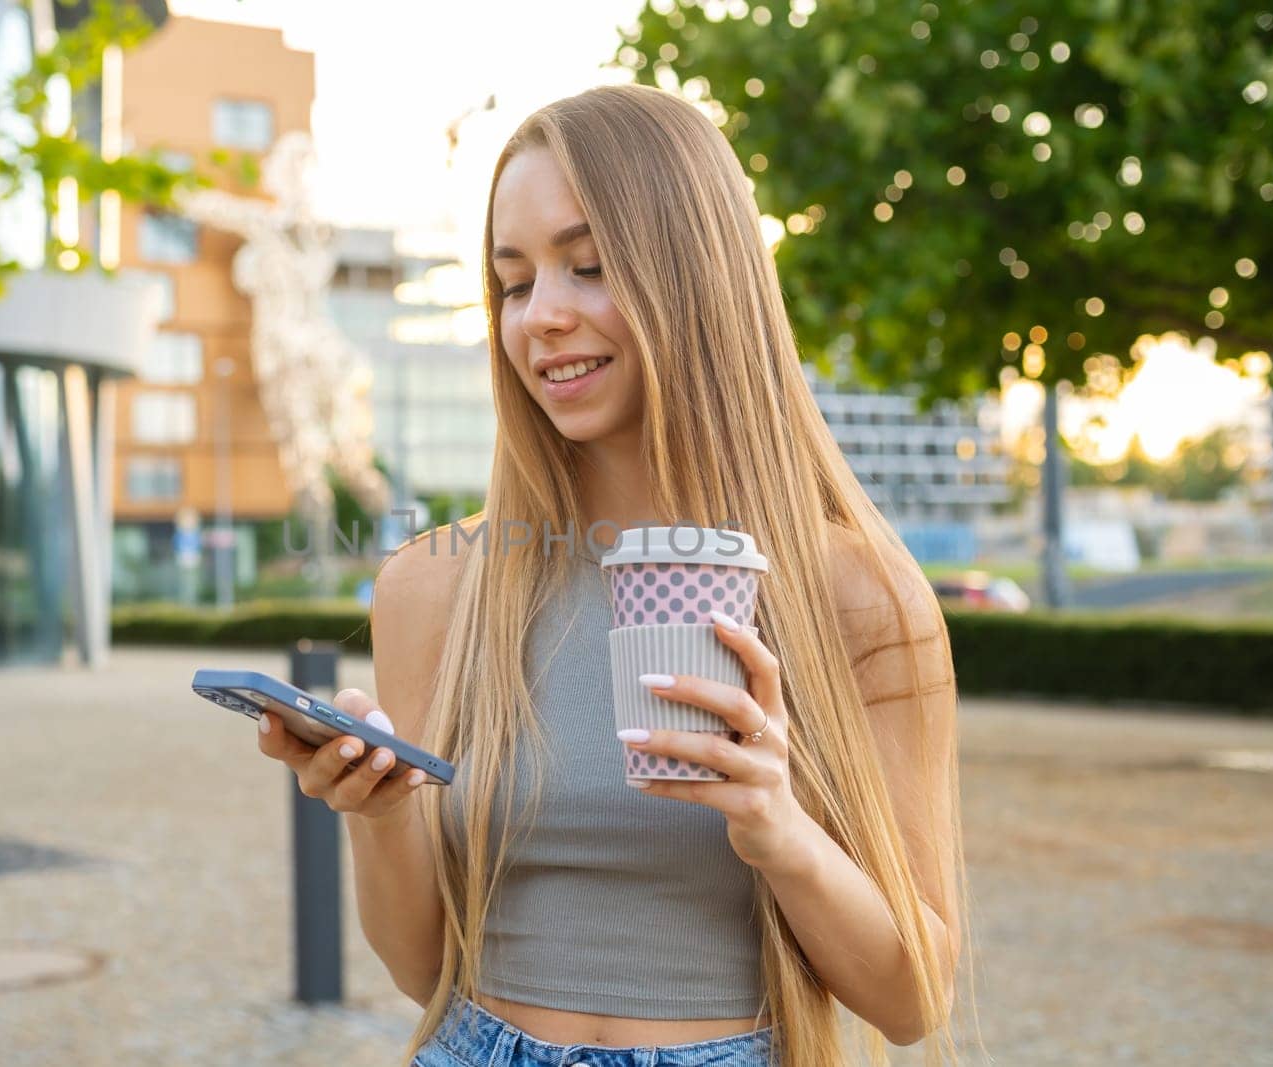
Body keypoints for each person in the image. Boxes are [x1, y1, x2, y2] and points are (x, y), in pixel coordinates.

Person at [256, 83, 968, 1067]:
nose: (541, 316)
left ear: (699, 281)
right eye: (513, 282)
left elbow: (912, 996)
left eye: (587, 267)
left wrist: (776, 823)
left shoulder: (855, 592)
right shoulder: (435, 583)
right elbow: (421, 966)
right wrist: (381, 814)